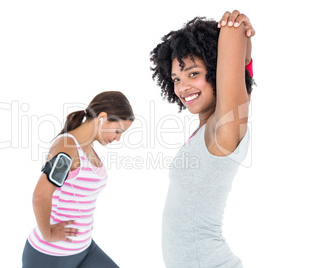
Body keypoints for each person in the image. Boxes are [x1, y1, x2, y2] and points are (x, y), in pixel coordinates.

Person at [150, 10, 255, 267]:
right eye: (176, 78)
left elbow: (232, 45)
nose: (182, 87)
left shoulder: (223, 129)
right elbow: (242, 72)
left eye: (193, 74)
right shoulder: (205, 129)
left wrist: (234, 26)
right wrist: (247, 50)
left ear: (217, 71)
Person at [22, 91, 134, 268]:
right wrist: (48, 234)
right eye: (118, 130)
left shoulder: (86, 146)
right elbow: (40, 196)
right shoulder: (67, 149)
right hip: (51, 256)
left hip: (85, 250)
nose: (118, 138)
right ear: (102, 118)